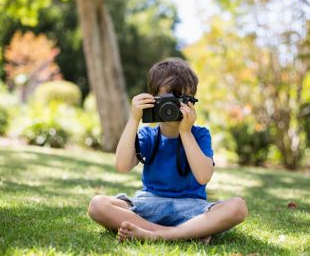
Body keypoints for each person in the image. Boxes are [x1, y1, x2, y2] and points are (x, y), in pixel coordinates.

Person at [88, 58, 248, 242]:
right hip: (149, 204)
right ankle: (185, 233)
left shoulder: (200, 134)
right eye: (167, 100)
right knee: (97, 204)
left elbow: (203, 176)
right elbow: (122, 165)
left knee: (238, 206)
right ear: (153, 99)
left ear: (191, 102)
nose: (172, 108)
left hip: (191, 207)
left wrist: (185, 132)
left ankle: (156, 234)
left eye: (180, 100)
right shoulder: (148, 134)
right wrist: (134, 119)